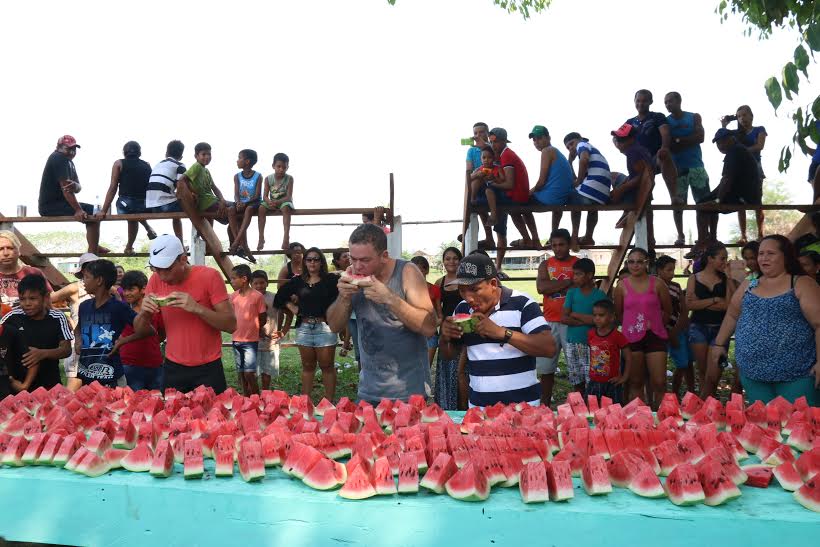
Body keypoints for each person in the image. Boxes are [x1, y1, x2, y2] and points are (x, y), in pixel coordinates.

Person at [327, 224, 435, 403]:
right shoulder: (351, 275)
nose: (357, 266)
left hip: (409, 391)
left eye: (365, 260)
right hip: (368, 390)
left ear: (384, 256)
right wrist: (344, 298)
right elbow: (334, 326)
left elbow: (429, 326)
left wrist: (390, 299)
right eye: (353, 259)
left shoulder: (407, 272)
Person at [709, 235, 819, 405]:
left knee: (798, 426)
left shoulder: (801, 283)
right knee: (764, 427)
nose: (763, 258)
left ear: (786, 256)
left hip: (796, 374)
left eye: (770, 253)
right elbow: (732, 313)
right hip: (753, 373)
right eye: (761, 253)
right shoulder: (751, 280)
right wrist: (718, 344)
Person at [440, 253, 554, 407]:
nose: (468, 298)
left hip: (524, 409)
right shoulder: (462, 308)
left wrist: (502, 333)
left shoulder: (522, 303)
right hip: (480, 409)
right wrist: (445, 338)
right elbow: (450, 354)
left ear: (493, 283)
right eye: (462, 290)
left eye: (474, 289)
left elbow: (548, 347)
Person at [135, 234, 236, 393]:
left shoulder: (210, 276)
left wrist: (197, 308)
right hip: (172, 367)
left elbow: (231, 325)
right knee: (170, 417)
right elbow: (140, 330)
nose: (162, 276)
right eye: (156, 269)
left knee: (212, 416)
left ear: (183, 259)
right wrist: (145, 314)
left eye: (167, 269)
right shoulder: (155, 280)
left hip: (208, 368)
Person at [76, 259, 154, 387]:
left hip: (111, 377)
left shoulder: (118, 307)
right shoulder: (84, 306)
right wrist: (78, 340)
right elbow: (78, 328)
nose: (83, 281)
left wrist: (123, 341)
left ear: (99, 280)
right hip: (86, 374)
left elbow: (149, 330)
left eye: (87, 277)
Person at [275, 248, 340, 400]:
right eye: (309, 259)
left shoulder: (331, 280)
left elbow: (342, 298)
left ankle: (329, 403)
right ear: (305, 262)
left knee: (327, 366)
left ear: (321, 262)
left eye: (316, 259)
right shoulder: (298, 281)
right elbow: (279, 296)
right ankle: (305, 402)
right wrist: (293, 308)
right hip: (304, 328)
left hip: (325, 328)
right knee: (308, 366)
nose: (312, 262)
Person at [614, 248, 672, 408]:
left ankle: (662, 418)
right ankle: (638, 420)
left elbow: (668, 310)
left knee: (659, 382)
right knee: (636, 381)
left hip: (655, 336)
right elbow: (618, 313)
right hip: (631, 338)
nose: (635, 265)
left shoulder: (658, 283)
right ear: (627, 263)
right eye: (631, 262)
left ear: (647, 263)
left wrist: (657, 324)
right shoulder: (621, 286)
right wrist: (632, 327)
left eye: (639, 261)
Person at [0, 274, 72, 394]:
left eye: (33, 298)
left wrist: (43, 353)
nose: (27, 303)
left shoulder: (57, 317)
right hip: (17, 385)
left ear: (46, 297)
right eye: (22, 299)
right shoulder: (12, 317)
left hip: (49, 385)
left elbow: (66, 349)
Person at [697, 128, 763, 252]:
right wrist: (713, 197)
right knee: (705, 201)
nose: (720, 146)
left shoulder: (735, 152)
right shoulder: (736, 151)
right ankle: (711, 238)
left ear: (731, 139)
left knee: (702, 207)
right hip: (741, 192)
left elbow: (727, 179)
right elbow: (724, 181)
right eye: (717, 143)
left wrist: (717, 200)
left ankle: (702, 242)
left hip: (745, 196)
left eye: (722, 142)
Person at [38, 135, 106, 254]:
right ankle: (92, 251)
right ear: (58, 147)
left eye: (74, 149)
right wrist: (78, 210)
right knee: (92, 212)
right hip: (50, 206)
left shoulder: (69, 163)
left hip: (61, 202)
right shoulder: (58, 158)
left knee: (94, 210)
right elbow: (66, 189)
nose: (71, 151)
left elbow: (78, 187)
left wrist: (75, 185)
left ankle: (94, 245)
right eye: (68, 148)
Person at [175, 142, 235, 275]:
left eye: (209, 154)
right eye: (203, 154)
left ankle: (232, 243)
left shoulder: (206, 170)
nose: (206, 157)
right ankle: (235, 243)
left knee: (233, 210)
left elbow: (214, 187)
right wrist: (191, 193)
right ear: (196, 156)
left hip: (213, 201)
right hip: (205, 202)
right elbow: (182, 180)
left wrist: (222, 200)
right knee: (234, 211)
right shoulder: (196, 167)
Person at [535, 229, 577, 406]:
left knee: (576, 368)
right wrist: (567, 282)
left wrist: (553, 286)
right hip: (549, 320)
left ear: (569, 245)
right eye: (554, 245)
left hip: (572, 322)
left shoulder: (578, 263)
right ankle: (544, 405)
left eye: (561, 244)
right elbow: (541, 288)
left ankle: (578, 406)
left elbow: (579, 288)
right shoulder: (546, 264)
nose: (558, 249)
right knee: (546, 369)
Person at [687, 242, 734, 398]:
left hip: (720, 330)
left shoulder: (726, 279)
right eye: (722, 258)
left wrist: (702, 303)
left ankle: (705, 403)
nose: (725, 262)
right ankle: (706, 407)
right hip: (698, 328)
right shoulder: (693, 278)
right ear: (710, 259)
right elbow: (689, 304)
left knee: (713, 376)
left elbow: (729, 305)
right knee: (702, 371)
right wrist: (714, 299)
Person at [664, 92, 712, 247]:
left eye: (670, 101)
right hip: (677, 169)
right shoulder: (666, 121)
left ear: (679, 101)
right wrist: (687, 140)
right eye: (665, 102)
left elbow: (701, 137)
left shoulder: (694, 117)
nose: (668, 104)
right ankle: (680, 235)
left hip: (696, 167)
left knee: (703, 203)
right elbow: (669, 143)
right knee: (677, 203)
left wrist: (678, 140)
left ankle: (703, 236)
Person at [488, 127, 541, 260]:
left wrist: (492, 184)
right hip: (521, 194)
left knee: (506, 206)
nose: (493, 145)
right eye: (491, 142)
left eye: (496, 142)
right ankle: (533, 239)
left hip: (516, 195)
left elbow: (509, 184)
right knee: (521, 212)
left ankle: (527, 239)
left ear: (504, 141)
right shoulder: (506, 154)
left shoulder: (506, 155)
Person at [99, 141, 157, 254]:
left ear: (124, 152)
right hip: (145, 206)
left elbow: (113, 187)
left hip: (127, 204)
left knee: (131, 213)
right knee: (134, 212)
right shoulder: (147, 165)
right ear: (139, 153)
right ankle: (146, 229)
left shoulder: (119, 163)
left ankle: (130, 246)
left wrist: (103, 210)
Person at [561, 258, 607, 395]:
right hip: (573, 343)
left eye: (578, 274)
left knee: (593, 379)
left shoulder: (600, 295)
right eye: (574, 274)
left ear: (590, 275)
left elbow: (602, 321)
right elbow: (564, 318)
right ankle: (579, 408)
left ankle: (592, 407)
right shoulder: (572, 293)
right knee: (577, 380)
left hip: (593, 345)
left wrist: (575, 314)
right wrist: (589, 320)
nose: (574, 278)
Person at [722, 105, 767, 243]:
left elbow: (759, 146)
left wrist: (742, 151)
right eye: (739, 116)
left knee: (757, 201)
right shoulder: (736, 134)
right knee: (740, 202)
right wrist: (724, 126)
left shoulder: (760, 130)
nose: (742, 118)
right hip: (739, 170)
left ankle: (760, 234)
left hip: (755, 167)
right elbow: (724, 143)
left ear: (751, 116)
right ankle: (743, 235)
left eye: (744, 115)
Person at [115, 270, 166, 391]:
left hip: (154, 365)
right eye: (124, 290)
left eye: (131, 289)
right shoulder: (122, 311)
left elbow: (162, 334)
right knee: (131, 404)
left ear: (143, 289)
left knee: (157, 403)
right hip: (129, 365)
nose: (126, 293)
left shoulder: (157, 310)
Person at [625, 90, 678, 203]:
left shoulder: (657, 116)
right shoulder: (629, 122)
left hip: (654, 158)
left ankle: (674, 196)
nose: (641, 104)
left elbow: (665, 132)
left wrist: (664, 148)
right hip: (638, 163)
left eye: (644, 101)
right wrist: (625, 151)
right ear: (634, 101)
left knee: (664, 155)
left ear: (651, 102)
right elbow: (617, 138)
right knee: (644, 199)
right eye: (638, 101)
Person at [563, 132, 611, 250]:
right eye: (568, 147)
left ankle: (574, 238)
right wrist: (570, 162)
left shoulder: (582, 144)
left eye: (571, 144)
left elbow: (583, 160)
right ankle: (589, 236)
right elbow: (575, 178)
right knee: (592, 207)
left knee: (571, 197)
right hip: (602, 194)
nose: (571, 148)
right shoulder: (593, 150)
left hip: (593, 189)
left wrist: (579, 181)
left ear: (579, 139)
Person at [610, 124, 656, 246]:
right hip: (642, 192)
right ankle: (626, 212)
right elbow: (635, 176)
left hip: (637, 193)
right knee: (615, 178)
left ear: (632, 139)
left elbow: (640, 178)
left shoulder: (633, 153)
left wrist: (620, 190)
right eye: (617, 140)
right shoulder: (639, 150)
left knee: (611, 188)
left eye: (622, 140)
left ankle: (627, 211)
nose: (619, 143)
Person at [656, 255, 694, 396]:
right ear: (659, 270)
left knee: (683, 363)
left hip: (677, 330)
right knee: (659, 368)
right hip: (658, 333)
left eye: (673, 270)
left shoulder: (676, 287)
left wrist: (674, 332)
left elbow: (684, 311)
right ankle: (662, 396)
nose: (672, 273)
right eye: (668, 270)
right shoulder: (652, 286)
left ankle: (675, 394)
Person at [528, 126, 574, 235]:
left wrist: (530, 192)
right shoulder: (556, 152)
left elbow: (541, 181)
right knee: (553, 200)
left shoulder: (547, 151)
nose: (536, 142)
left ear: (548, 138)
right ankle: (554, 234)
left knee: (518, 204)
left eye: (539, 138)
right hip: (561, 198)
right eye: (534, 140)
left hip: (552, 198)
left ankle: (532, 239)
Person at [229, 264, 267, 396]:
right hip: (236, 339)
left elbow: (263, 318)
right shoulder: (233, 296)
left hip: (250, 341)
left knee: (249, 373)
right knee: (241, 373)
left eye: (234, 278)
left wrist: (255, 330)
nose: (231, 281)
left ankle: (256, 399)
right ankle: (245, 399)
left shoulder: (257, 296)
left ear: (244, 279)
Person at [434, 246, 463, 410]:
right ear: (443, 262)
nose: (451, 261)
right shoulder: (440, 282)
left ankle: (463, 404)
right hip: (446, 332)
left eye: (455, 258)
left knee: (461, 371)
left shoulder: (465, 280)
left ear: (460, 261)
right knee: (446, 370)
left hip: (464, 330)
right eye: (447, 258)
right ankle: (446, 405)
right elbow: (438, 310)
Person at [586, 298, 631, 404]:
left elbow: (628, 357)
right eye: (595, 315)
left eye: (601, 315)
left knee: (614, 412)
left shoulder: (617, 336)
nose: (597, 318)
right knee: (592, 411)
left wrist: (624, 377)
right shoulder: (591, 334)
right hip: (594, 382)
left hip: (612, 383)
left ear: (611, 317)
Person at [145, 140, 186, 244]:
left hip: (151, 206)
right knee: (194, 204)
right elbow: (181, 187)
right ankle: (183, 243)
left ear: (166, 154)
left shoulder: (158, 164)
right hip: (165, 206)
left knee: (176, 213)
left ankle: (180, 244)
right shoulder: (180, 165)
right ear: (181, 156)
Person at [465, 122, 497, 250]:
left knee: (501, 228)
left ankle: (498, 262)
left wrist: (483, 144)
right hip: (478, 184)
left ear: (488, 134)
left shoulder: (492, 147)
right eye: (475, 133)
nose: (478, 135)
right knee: (480, 210)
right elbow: (468, 170)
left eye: (481, 132)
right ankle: (487, 238)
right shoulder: (471, 150)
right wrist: (475, 174)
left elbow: (497, 160)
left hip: (493, 183)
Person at [228, 149, 262, 262]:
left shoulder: (258, 176)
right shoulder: (237, 176)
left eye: (239, 158)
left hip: (252, 203)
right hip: (240, 203)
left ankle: (237, 242)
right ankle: (241, 244)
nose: (237, 161)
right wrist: (238, 202)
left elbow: (257, 195)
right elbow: (236, 194)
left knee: (248, 210)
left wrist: (245, 203)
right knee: (231, 210)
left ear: (247, 161)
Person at [0, 230, 52, 303]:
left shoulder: (34, 273)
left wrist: (69, 290)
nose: (6, 253)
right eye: (1, 249)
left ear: (18, 251)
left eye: (10, 248)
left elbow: (49, 298)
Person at [258, 153, 295, 251]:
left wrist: (277, 202)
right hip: (271, 202)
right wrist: (269, 202)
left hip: (284, 202)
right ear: (273, 166)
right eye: (278, 166)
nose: (281, 169)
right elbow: (265, 196)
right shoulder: (268, 179)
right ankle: (261, 236)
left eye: (284, 167)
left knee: (286, 209)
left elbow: (288, 197)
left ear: (287, 167)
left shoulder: (289, 178)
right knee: (261, 208)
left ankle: (286, 237)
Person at [410, 256, 442, 367]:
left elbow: (439, 314)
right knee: (412, 369)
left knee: (426, 368)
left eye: (420, 270)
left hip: (431, 335)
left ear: (426, 270)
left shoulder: (435, 289)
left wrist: (433, 326)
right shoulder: (406, 289)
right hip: (412, 333)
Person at [252, 269, 280, 389]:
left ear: (267, 283)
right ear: (251, 284)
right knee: (253, 372)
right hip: (252, 342)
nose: (259, 286)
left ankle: (265, 393)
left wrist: (282, 330)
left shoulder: (274, 297)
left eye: (262, 282)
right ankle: (254, 397)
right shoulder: (248, 298)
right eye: (256, 283)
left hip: (270, 342)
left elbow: (284, 313)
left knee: (267, 372)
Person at [469, 146, 506, 229]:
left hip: (494, 190)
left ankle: (493, 215)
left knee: (488, 191)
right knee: (476, 180)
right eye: (484, 157)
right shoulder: (479, 169)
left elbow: (503, 180)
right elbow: (469, 177)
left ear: (493, 159)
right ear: (481, 159)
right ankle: (473, 198)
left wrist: (494, 178)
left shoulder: (497, 168)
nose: (486, 160)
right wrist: (477, 175)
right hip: (482, 192)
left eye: (489, 158)